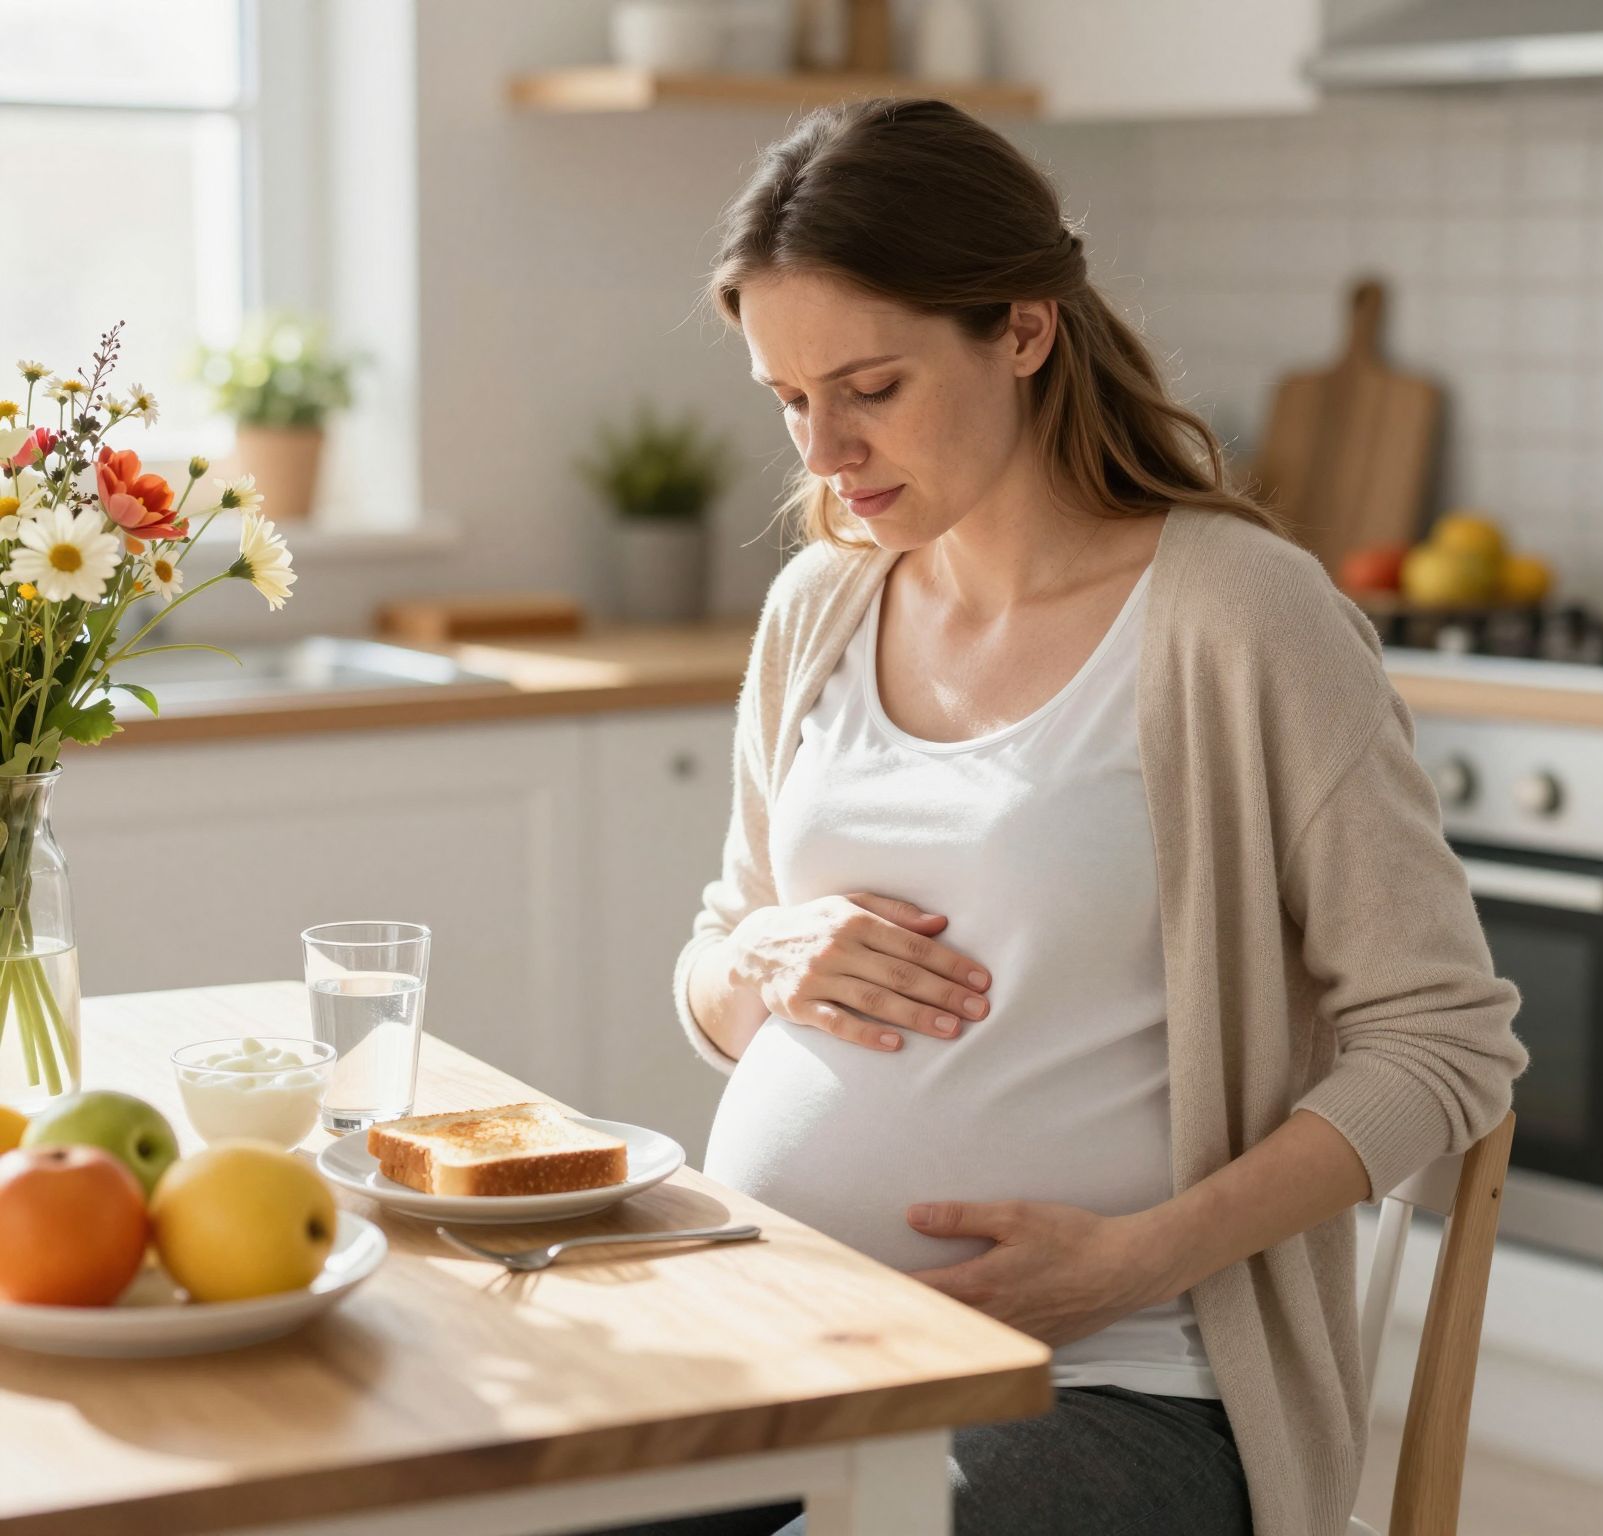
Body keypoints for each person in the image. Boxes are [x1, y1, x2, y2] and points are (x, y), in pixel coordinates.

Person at [623, 97, 1528, 1536]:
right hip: (786, 1337)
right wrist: (759, 967)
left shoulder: (1239, 618)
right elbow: (715, 968)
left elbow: (1445, 1042)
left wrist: (1136, 1259)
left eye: (870, 387)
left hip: (1118, 1383)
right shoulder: (821, 606)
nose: (824, 452)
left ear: (1026, 329)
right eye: (789, 400)